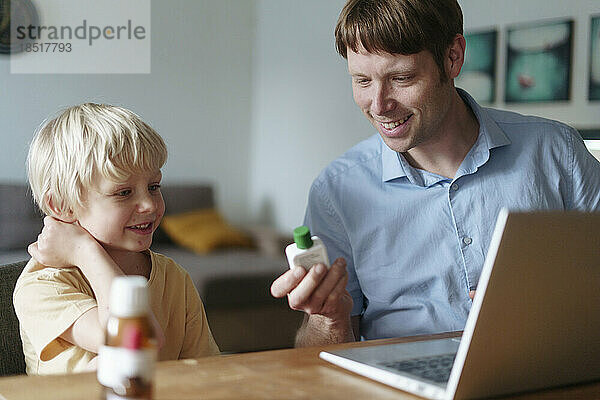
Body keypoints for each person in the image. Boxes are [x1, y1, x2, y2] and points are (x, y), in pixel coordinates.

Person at [271, 0, 600, 347]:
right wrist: (329, 319)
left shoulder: (555, 150)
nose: (379, 105)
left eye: (401, 78)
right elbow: (321, 361)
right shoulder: (337, 190)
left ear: (453, 57)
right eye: (363, 80)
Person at [14, 104, 220, 375]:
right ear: (63, 206)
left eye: (154, 186)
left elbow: (208, 372)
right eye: (123, 192)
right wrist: (84, 250)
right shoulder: (41, 286)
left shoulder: (174, 279)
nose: (148, 204)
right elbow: (134, 340)